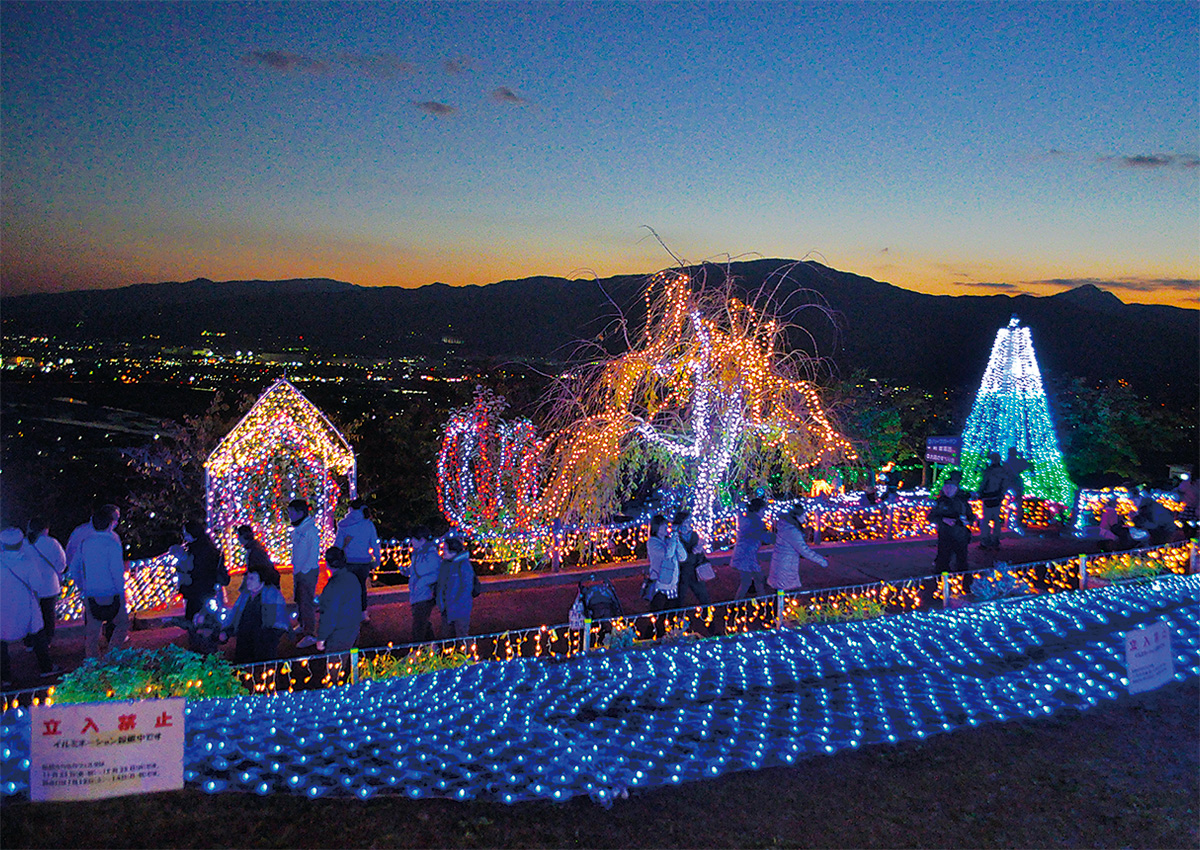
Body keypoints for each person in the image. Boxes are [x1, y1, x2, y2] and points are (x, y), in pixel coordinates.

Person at [69, 505, 129, 659]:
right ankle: (112, 654)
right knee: (122, 624)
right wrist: (121, 592)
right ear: (110, 524)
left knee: (92, 632)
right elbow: (116, 571)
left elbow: (74, 568)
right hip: (111, 591)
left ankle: (92, 661)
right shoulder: (112, 543)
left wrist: (82, 586)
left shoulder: (85, 543)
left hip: (91, 592)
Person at [1, 527, 56, 684]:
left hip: (3, 608)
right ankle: (46, 668)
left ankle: (5, 677)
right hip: (25, 605)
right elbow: (37, 585)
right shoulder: (27, 562)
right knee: (38, 634)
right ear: (20, 543)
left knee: (1, 642)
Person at [221, 564, 289, 663]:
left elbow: (280, 619)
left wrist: (270, 635)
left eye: (252, 579)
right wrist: (226, 631)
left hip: (263, 642)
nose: (248, 581)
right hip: (244, 640)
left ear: (261, 581)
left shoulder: (272, 595)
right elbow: (234, 616)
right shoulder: (245, 596)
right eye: (248, 578)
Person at [335, 499, 380, 623]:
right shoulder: (368, 524)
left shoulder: (344, 524)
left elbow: (338, 545)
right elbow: (374, 543)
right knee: (361, 588)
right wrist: (377, 559)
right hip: (364, 562)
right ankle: (363, 613)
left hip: (348, 561)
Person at [24, 518, 66, 651]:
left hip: (29, 586)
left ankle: (30, 643)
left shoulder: (24, 543)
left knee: (30, 616)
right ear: (45, 529)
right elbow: (62, 564)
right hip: (49, 586)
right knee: (48, 615)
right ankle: (46, 641)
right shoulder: (53, 543)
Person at [768, 504, 829, 592]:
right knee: (785, 590)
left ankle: (779, 600)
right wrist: (821, 560)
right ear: (797, 516)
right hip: (786, 565)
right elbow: (804, 550)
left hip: (781, 562)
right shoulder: (792, 531)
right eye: (803, 515)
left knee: (781, 589)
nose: (805, 517)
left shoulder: (785, 526)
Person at [315, 547, 362, 652]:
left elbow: (329, 615)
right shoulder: (352, 578)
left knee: (335, 660)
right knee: (351, 658)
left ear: (327, 564)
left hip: (339, 634)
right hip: (353, 630)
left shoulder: (332, 586)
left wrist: (321, 638)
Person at [288, 499, 321, 648]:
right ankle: (303, 624)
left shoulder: (310, 530)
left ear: (300, 513)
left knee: (307, 602)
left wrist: (304, 570)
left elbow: (313, 552)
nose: (290, 515)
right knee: (300, 599)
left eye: (292, 512)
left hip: (306, 571)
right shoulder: (299, 529)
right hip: (299, 570)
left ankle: (310, 633)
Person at [178, 519, 225, 622]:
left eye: (186, 534)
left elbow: (196, 569)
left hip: (198, 589)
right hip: (205, 588)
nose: (185, 537)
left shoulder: (199, 549)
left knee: (195, 617)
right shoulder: (206, 545)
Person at [930, 472, 974, 575]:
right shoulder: (940, 502)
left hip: (960, 535)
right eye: (946, 487)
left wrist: (967, 521)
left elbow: (971, 516)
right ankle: (942, 577)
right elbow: (931, 517)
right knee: (943, 560)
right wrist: (943, 520)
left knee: (961, 560)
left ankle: (962, 577)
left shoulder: (962, 502)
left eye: (951, 487)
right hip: (945, 535)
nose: (948, 490)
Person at [731, 499, 773, 598]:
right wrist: (777, 538)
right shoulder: (755, 522)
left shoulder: (747, 519)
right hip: (747, 555)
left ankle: (739, 602)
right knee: (754, 580)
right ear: (758, 509)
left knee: (749, 581)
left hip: (743, 554)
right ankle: (760, 601)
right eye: (763, 510)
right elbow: (760, 535)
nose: (764, 512)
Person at [436, 536, 476, 639]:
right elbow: (441, 585)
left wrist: (457, 604)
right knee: (446, 637)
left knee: (461, 635)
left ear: (453, 550)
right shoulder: (445, 564)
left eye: (445, 549)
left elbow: (466, 587)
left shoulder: (463, 565)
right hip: (446, 608)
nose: (443, 552)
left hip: (460, 609)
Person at [407, 526, 440, 643]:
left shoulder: (431, 554)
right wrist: (407, 571)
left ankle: (418, 649)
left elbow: (435, 574)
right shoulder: (418, 553)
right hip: (417, 593)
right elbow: (417, 570)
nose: (411, 541)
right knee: (423, 623)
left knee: (419, 626)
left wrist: (421, 582)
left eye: (413, 539)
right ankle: (432, 647)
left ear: (422, 540)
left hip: (426, 594)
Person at [673, 511, 710, 607]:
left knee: (704, 597)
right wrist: (693, 552)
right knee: (679, 599)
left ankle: (708, 614)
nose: (690, 522)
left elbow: (699, 555)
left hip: (695, 571)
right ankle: (676, 615)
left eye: (690, 520)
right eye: (687, 520)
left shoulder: (694, 535)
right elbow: (681, 558)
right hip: (681, 573)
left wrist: (700, 552)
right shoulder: (676, 537)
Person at [978, 453, 1007, 550]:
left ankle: (985, 540)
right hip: (997, 497)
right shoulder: (1003, 471)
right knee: (996, 519)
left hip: (988, 496)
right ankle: (995, 539)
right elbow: (1004, 484)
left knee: (986, 519)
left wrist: (980, 493)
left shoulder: (989, 471)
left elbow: (984, 483)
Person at [1002, 447, 1031, 534]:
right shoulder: (1016, 462)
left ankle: (1008, 523)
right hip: (1015, 485)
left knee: (1009, 504)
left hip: (1008, 485)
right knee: (1016, 505)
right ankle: (1014, 523)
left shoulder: (1006, 462)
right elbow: (1026, 465)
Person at [645, 514, 670, 606]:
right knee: (658, 605)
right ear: (657, 527)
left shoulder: (668, 540)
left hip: (671, 578)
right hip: (658, 578)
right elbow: (666, 555)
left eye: (666, 525)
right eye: (663, 525)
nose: (666, 527)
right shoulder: (652, 542)